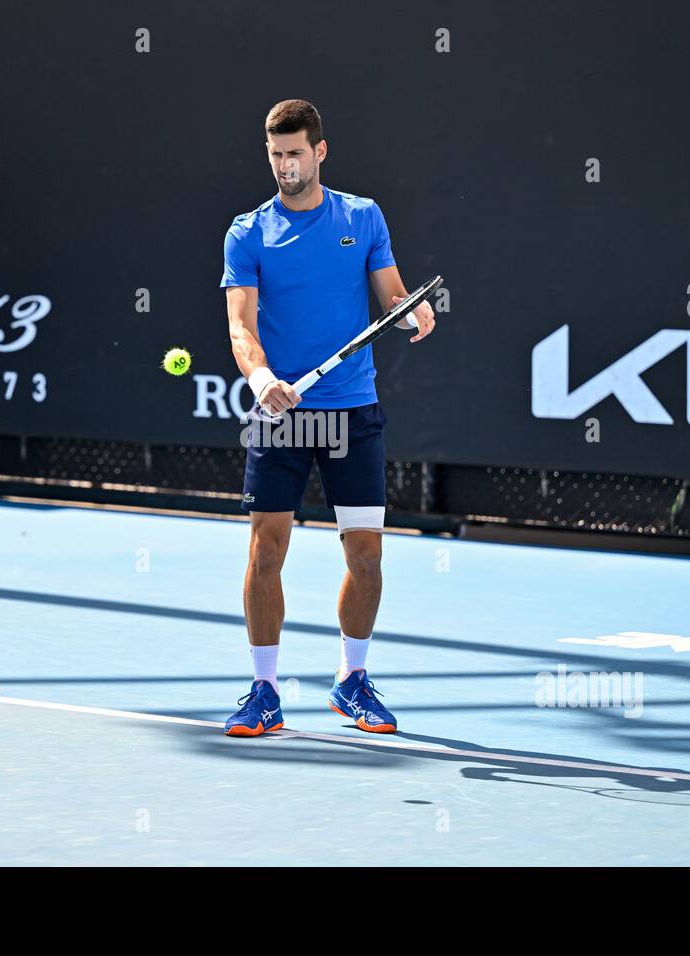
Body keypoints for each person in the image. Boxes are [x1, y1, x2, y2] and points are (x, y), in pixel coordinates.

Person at [218, 99, 436, 737]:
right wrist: (262, 380)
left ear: (320, 151)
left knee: (366, 554)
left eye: (294, 153)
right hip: (281, 417)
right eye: (275, 155)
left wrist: (413, 311)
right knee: (267, 553)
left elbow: (391, 294)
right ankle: (263, 690)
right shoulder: (247, 233)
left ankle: (352, 681)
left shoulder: (362, 218)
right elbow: (241, 327)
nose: (284, 166)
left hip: (351, 413)